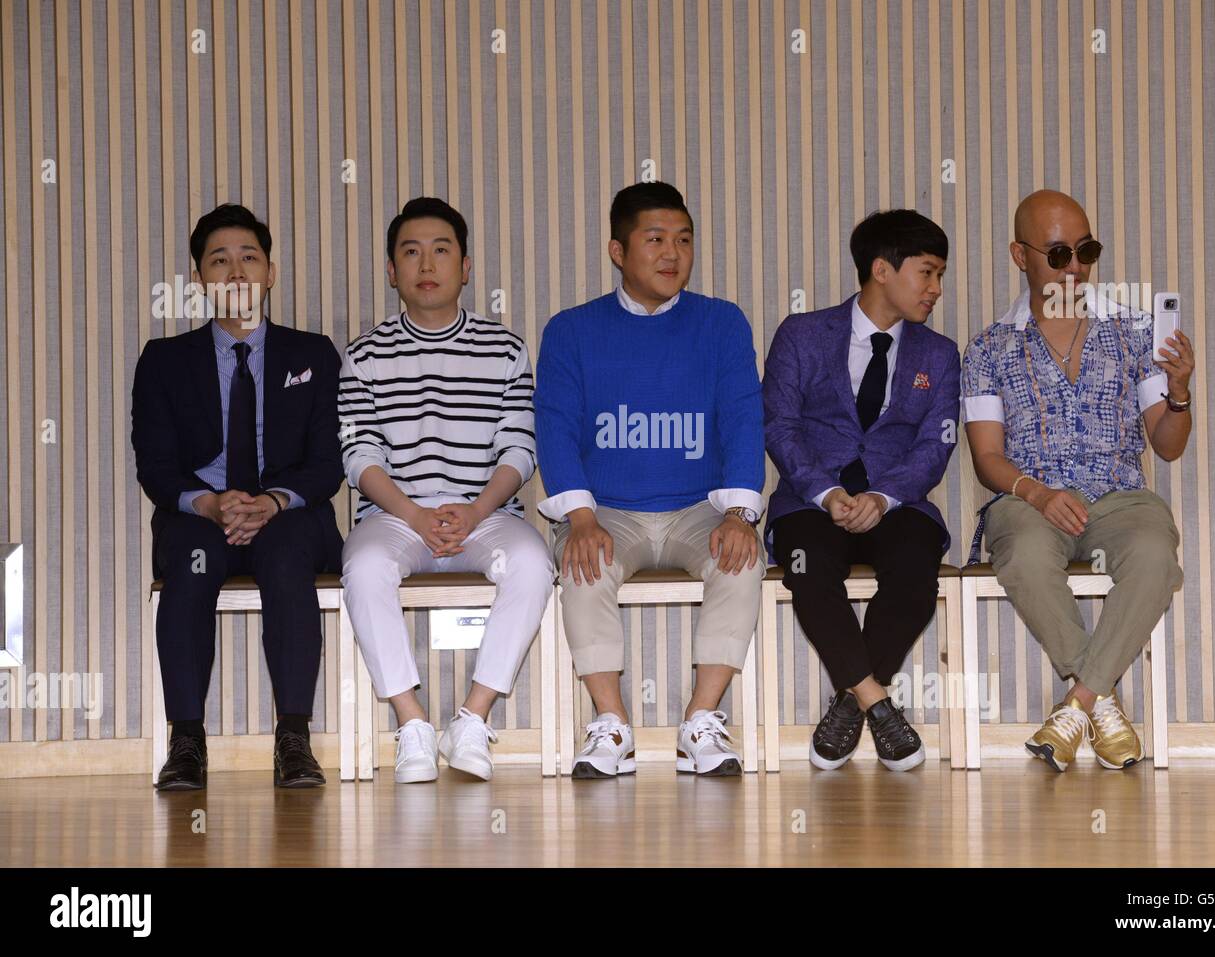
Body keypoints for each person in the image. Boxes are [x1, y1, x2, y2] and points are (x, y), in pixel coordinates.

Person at [534, 181, 765, 778]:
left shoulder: (722, 322)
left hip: (699, 507)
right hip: (607, 509)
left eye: (684, 241)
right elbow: (555, 428)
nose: (672, 254)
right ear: (618, 251)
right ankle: (611, 724)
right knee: (583, 565)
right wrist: (580, 518)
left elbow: (744, 417)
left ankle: (701, 722)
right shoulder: (571, 329)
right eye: (655, 240)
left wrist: (741, 515)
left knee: (742, 559)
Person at [961, 189, 1194, 772]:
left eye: (1086, 251)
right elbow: (986, 457)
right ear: (1020, 255)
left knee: (1154, 553)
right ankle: (1104, 705)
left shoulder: (1134, 332)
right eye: (1059, 252)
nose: (1075, 268)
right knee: (1023, 556)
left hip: (1119, 495)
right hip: (1029, 498)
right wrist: (1036, 493)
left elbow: (1167, 446)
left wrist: (1180, 391)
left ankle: (1076, 705)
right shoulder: (988, 348)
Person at [338, 197, 552, 783]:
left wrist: (476, 508)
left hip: (484, 514)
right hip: (394, 516)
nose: (425, 263)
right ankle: (413, 725)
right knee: (362, 567)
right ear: (392, 270)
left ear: (466, 266)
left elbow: (518, 450)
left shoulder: (506, 350)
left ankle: (472, 720)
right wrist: (413, 513)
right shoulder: (362, 356)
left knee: (533, 562)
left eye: (440, 250)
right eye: (410, 252)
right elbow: (359, 457)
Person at [132, 203, 345, 790]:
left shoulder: (313, 354)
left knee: (285, 561)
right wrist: (207, 503)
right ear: (199, 277)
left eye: (248, 257)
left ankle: (294, 738)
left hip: (288, 515)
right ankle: (186, 742)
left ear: (270, 272)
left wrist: (273, 501)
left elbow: (329, 463)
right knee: (193, 568)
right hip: (203, 516)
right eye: (218, 260)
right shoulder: (163, 361)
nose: (235, 271)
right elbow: (155, 465)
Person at [764, 209, 960, 772]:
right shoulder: (801, 335)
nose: (936, 289)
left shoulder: (939, 354)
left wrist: (884, 497)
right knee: (806, 566)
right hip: (810, 501)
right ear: (881, 269)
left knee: (916, 571)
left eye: (940, 275)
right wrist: (826, 492)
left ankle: (850, 704)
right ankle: (877, 704)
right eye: (927, 273)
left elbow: (936, 444)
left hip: (898, 504)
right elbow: (779, 425)